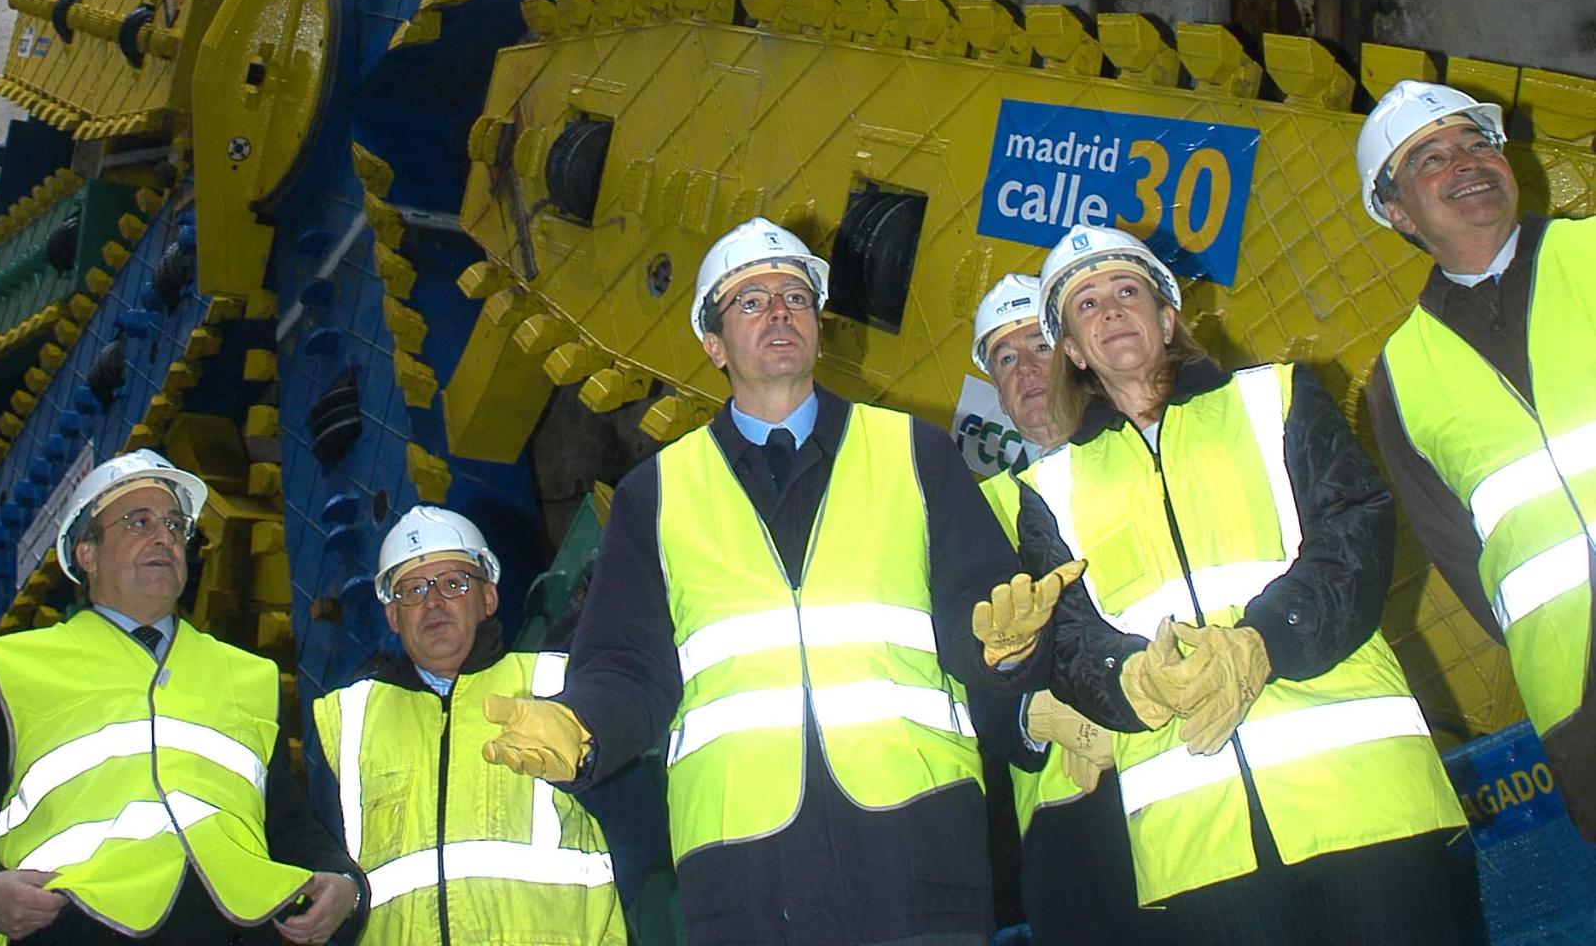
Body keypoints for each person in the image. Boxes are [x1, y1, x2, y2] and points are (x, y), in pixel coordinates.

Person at [479, 216, 1080, 945]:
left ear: (819, 327)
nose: (778, 314)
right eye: (751, 301)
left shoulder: (912, 453)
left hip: (919, 848)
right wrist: (582, 725)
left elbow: (975, 613)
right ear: (712, 342)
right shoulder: (656, 494)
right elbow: (628, 666)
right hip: (744, 873)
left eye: (795, 298)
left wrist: (1005, 649)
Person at [1017, 224, 1469, 944]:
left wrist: (1265, 641)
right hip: (1197, 848)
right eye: (1086, 305)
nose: (1111, 312)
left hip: (1363, 805)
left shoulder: (1280, 399)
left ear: (1167, 316)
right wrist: (1129, 680)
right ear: (1071, 350)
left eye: (1128, 291)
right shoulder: (1049, 488)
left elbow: (1353, 528)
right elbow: (1068, 641)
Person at [0, 450, 365, 945]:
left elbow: (288, 826)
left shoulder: (250, 676)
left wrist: (344, 883)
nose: (164, 537)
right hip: (77, 931)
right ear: (87, 554)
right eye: (139, 522)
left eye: (174, 525)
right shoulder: (8, 668)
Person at [1357, 79, 1596, 841]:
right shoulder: (1401, 378)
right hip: (1578, 698)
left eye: (1476, 142)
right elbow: (1464, 558)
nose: (1465, 162)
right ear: (1397, 211)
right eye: (1430, 157)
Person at [309, 506, 625, 946]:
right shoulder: (346, 721)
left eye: (453, 584)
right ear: (393, 617)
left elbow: (637, 832)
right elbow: (327, 869)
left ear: (489, 598)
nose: (433, 602)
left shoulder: (560, 687)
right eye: (412, 591)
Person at [968, 274, 1152, 945]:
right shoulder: (978, 516)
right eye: (1004, 358)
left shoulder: (1148, 459)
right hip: (1064, 810)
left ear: (1076, 353)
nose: (1025, 370)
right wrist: (1026, 711)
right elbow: (955, 668)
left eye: (1038, 345)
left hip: (1180, 773)